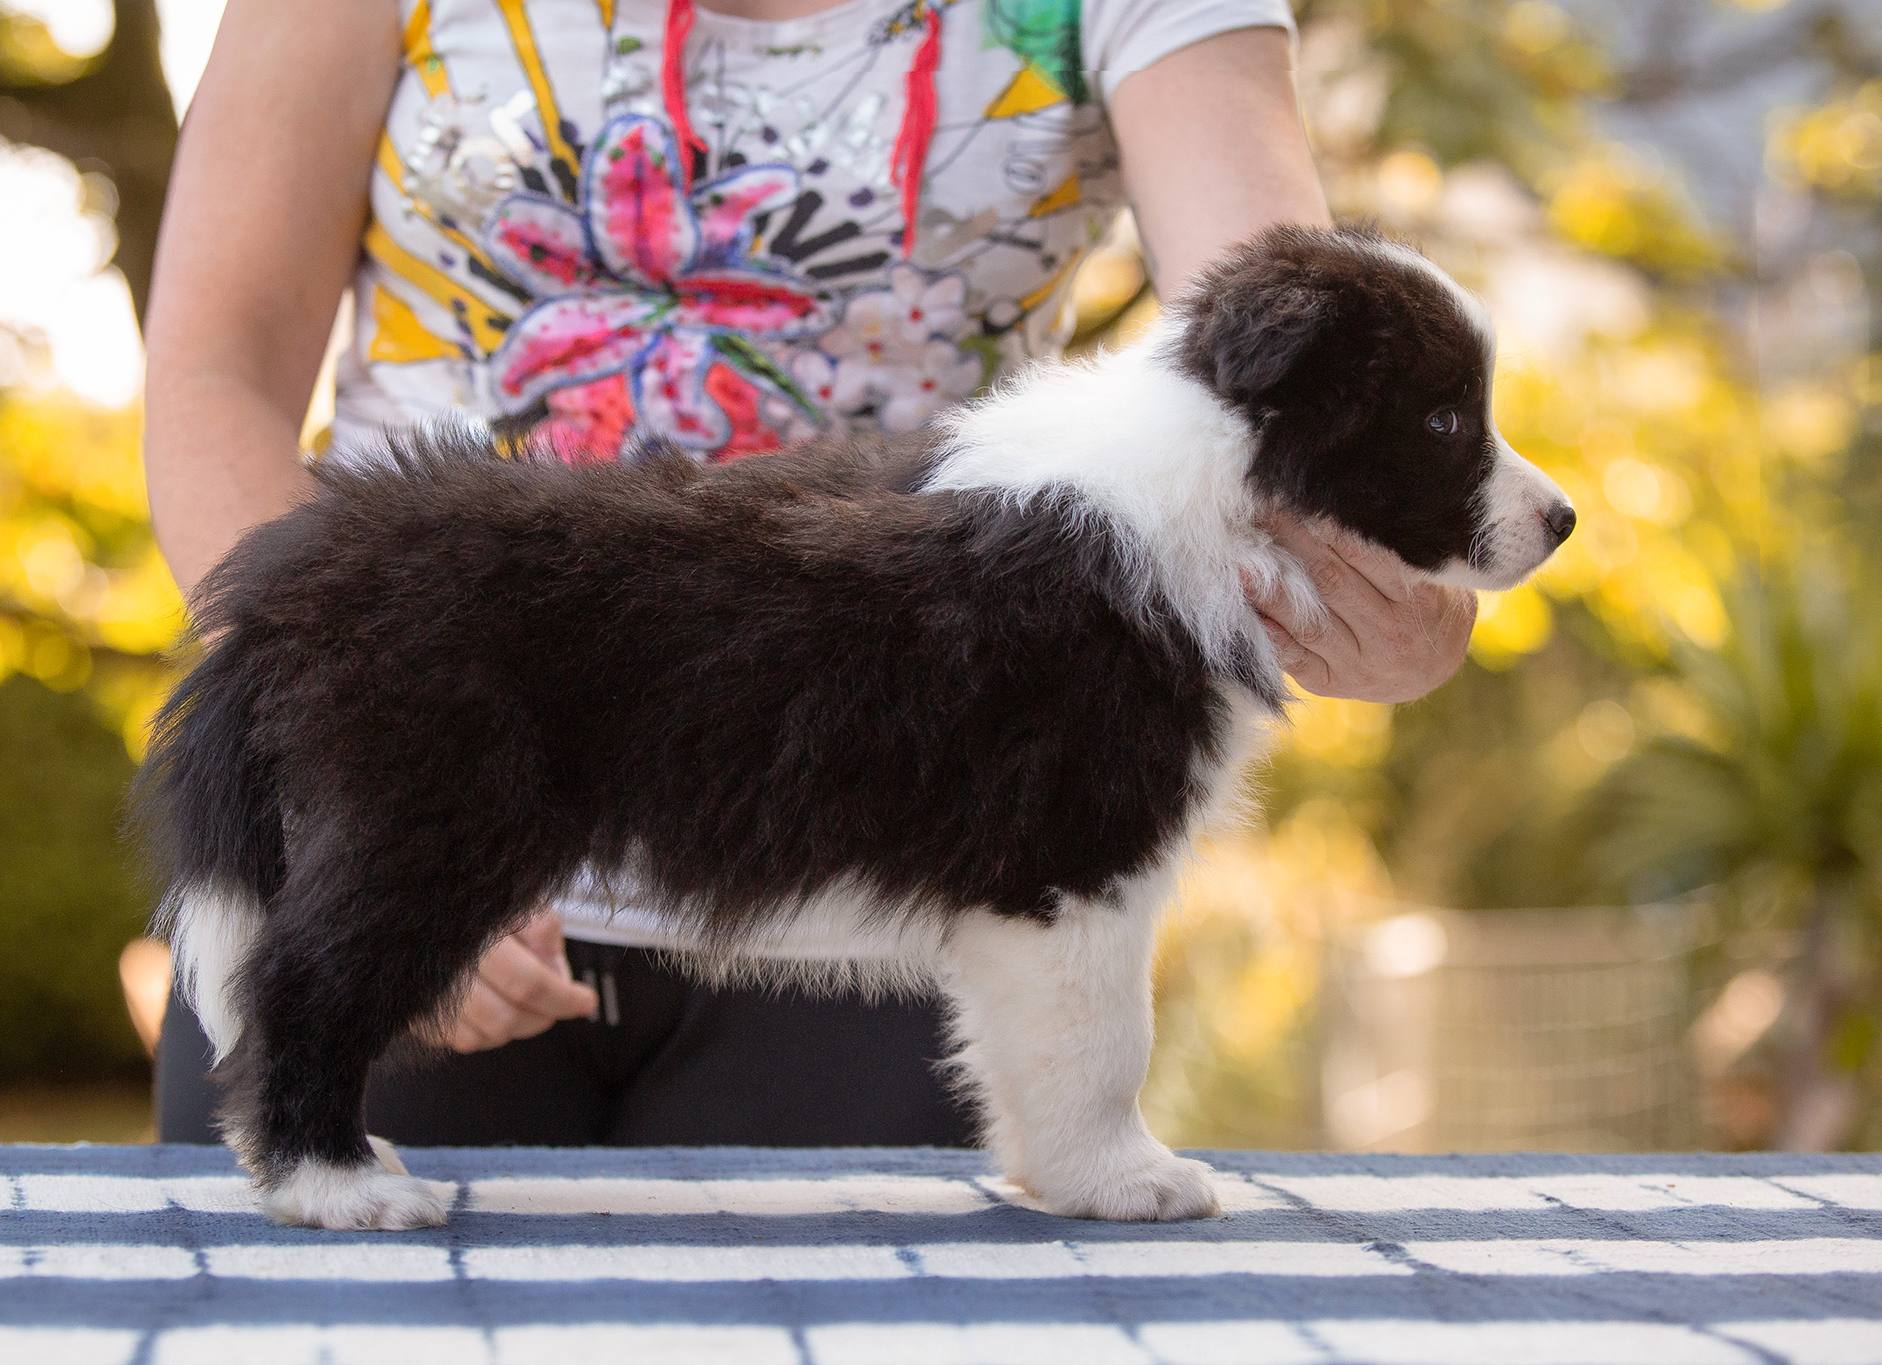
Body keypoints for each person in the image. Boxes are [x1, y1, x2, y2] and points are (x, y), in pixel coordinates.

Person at [144, 0, 1479, 1146]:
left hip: (891, 865)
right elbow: (218, 374)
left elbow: (1287, 343)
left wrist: (1390, 582)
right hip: (444, 737)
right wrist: (360, 806)